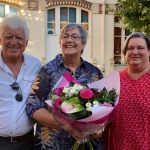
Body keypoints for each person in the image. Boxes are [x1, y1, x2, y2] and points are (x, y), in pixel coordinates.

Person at [26, 23, 104, 150]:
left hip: (87, 144)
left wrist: (100, 129)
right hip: (53, 144)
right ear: (60, 42)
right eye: (65, 36)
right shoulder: (47, 71)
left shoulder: (94, 73)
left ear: (83, 43)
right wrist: (66, 126)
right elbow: (33, 107)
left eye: (74, 37)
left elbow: (104, 107)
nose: (69, 40)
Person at [0, 15, 41, 150]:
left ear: (26, 42)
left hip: (27, 143)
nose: (13, 42)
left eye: (19, 37)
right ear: (0, 40)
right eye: (8, 37)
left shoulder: (36, 65)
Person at [103, 32, 150, 150]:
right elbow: (103, 117)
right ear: (125, 54)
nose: (135, 52)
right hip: (119, 146)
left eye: (140, 48)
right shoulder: (114, 80)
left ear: (149, 51)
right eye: (130, 48)